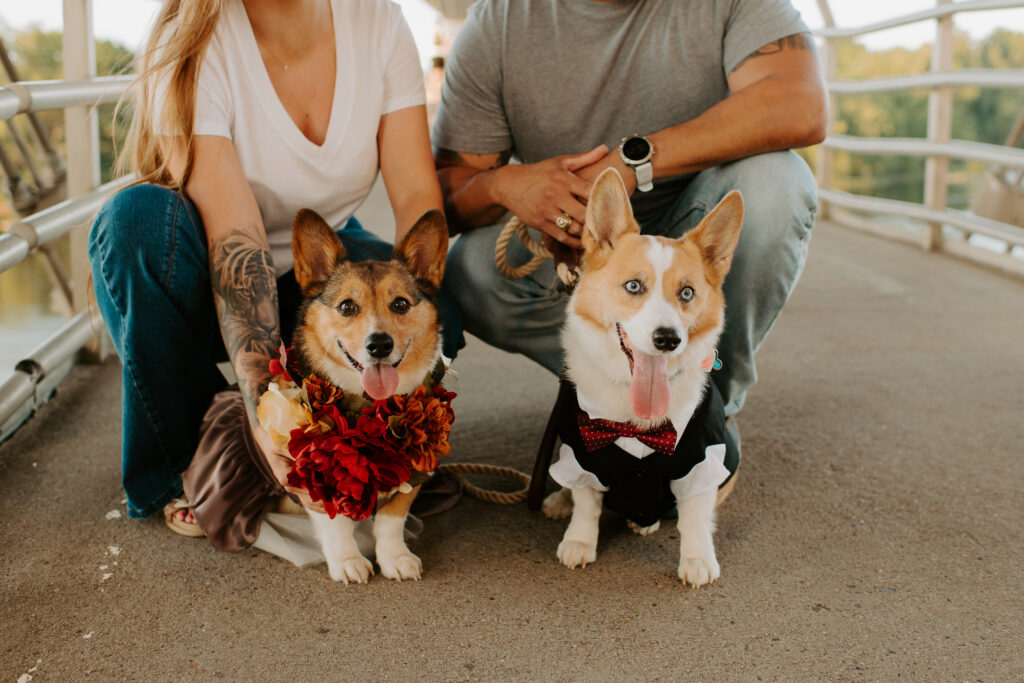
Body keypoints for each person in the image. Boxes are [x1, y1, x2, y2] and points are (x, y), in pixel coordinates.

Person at [88, 0, 461, 529]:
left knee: (440, 310)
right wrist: (273, 417)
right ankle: (180, 463)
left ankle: (365, 447)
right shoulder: (191, 39)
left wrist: (410, 365)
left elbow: (416, 196)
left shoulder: (377, 20)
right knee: (136, 222)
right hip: (202, 273)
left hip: (317, 263)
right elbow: (234, 239)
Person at [433, 0, 827, 425]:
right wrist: (506, 184)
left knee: (777, 182)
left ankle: (706, 408)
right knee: (471, 266)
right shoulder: (498, 21)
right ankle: (609, 396)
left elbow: (800, 104)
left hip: (692, 231)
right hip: (581, 252)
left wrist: (634, 162)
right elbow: (444, 198)